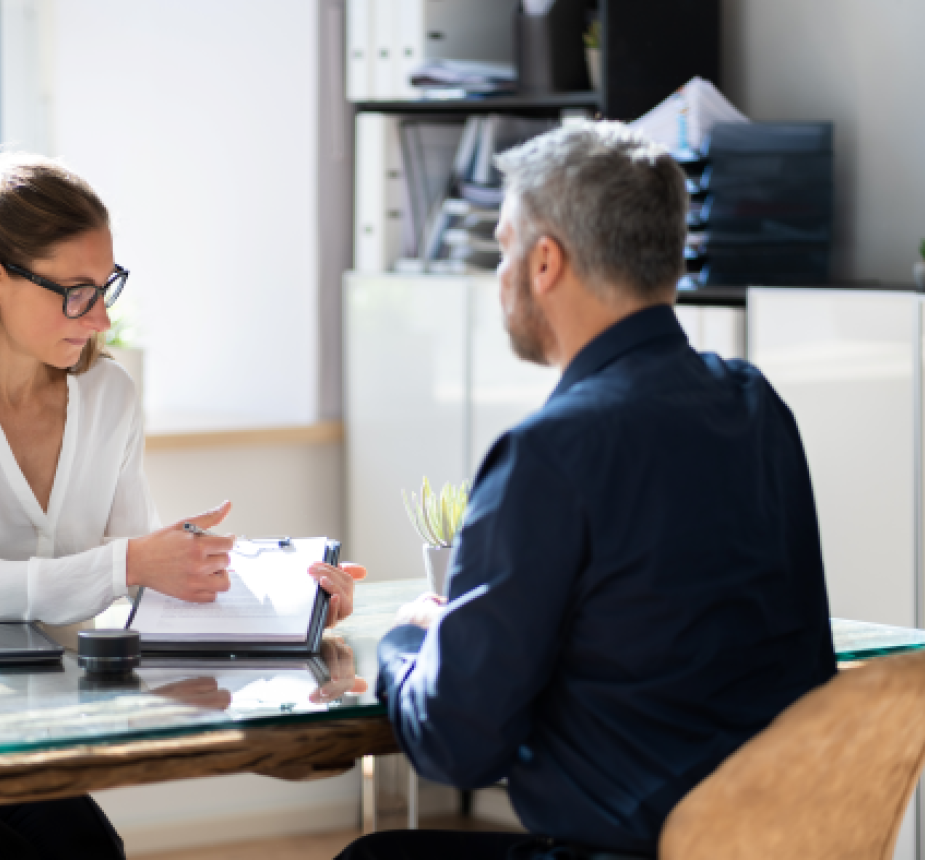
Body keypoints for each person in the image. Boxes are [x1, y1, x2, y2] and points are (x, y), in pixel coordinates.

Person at [0, 153, 364, 860]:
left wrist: (295, 602)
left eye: (106, 289)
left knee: (93, 856)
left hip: (31, 732)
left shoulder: (108, 396)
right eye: (76, 292)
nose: (100, 316)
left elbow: (146, 580)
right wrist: (133, 560)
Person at [338, 121, 836, 860]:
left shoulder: (548, 454)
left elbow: (455, 745)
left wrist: (409, 640)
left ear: (545, 262)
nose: (499, 271)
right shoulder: (755, 406)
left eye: (503, 244)